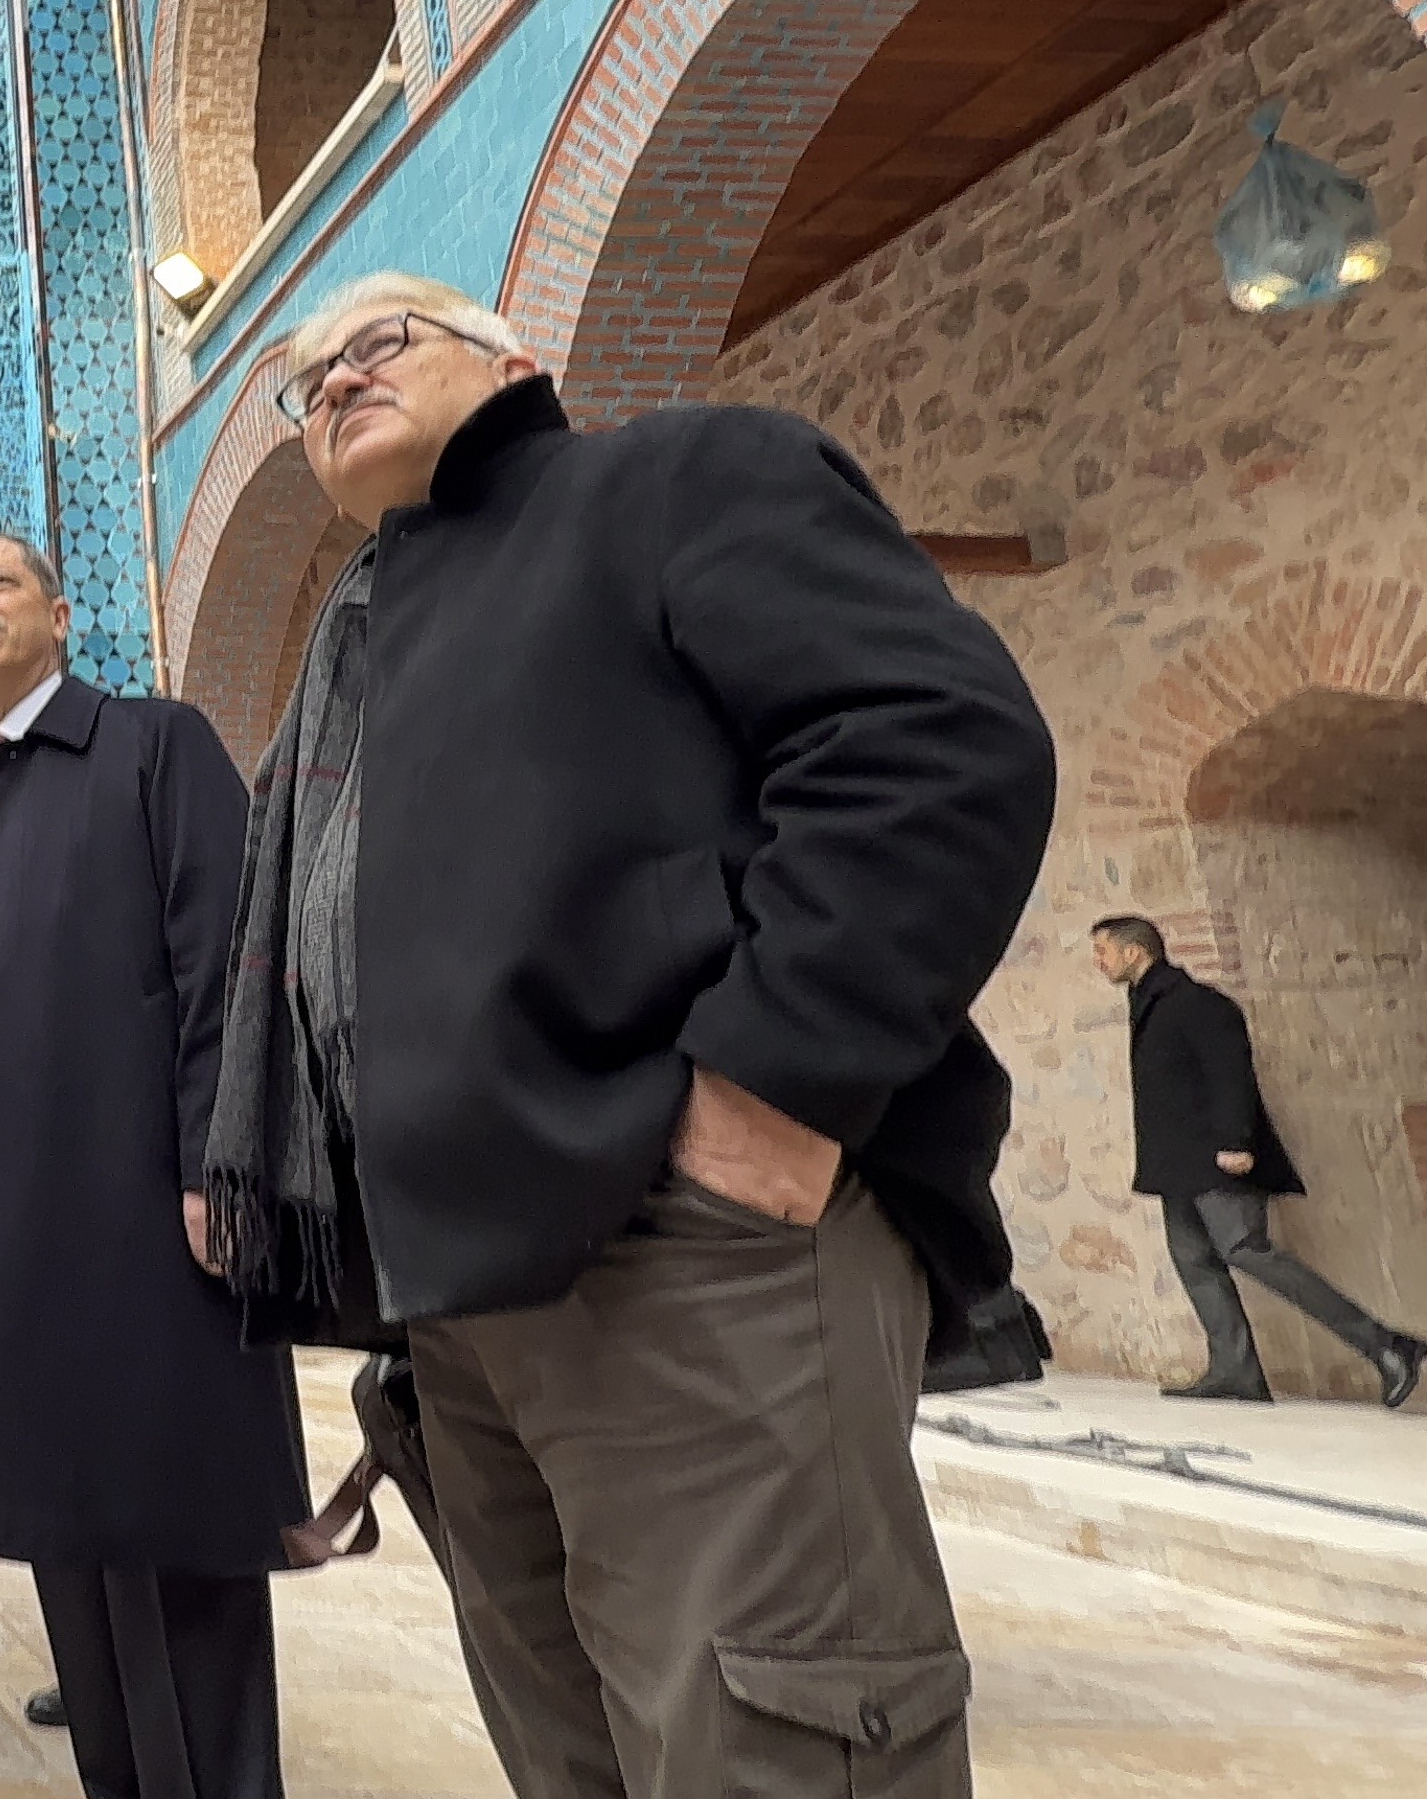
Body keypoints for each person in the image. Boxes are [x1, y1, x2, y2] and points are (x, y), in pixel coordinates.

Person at [196, 273, 1059, 1799]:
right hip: (462, 1311)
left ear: (512, 354)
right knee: (578, 1754)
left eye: (376, 344)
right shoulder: (369, 632)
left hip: (680, 1257)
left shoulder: (671, 483)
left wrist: (771, 1091)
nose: (331, 384)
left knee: (762, 1749)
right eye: (305, 382)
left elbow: (936, 743)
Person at [0, 532, 304, 1799]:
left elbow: (229, 968)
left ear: (62, 617)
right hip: (4, 1229)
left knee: (177, 1546)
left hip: (143, 1212)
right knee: (71, 1554)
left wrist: (216, 1168)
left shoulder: (152, 746)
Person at [1092, 917, 1421, 1407]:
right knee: (1194, 1262)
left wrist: (1236, 1140)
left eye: (1103, 951)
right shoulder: (1148, 1005)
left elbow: (1230, 1073)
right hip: (1177, 1169)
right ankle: (1235, 1371)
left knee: (1246, 1249)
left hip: (1215, 1161)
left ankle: (1388, 1346)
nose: (1098, 962)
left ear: (1135, 952)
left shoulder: (1198, 1004)